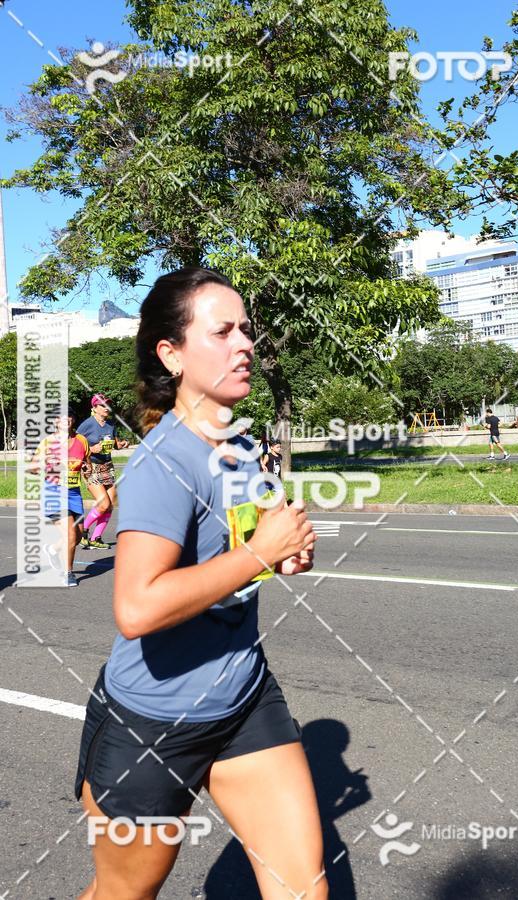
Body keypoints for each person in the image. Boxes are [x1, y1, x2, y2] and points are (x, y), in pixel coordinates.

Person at [75, 268, 325, 900]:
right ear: (172, 353)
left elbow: (251, 541)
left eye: (246, 329)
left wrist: (282, 551)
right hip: (151, 724)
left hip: (243, 700)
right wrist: (257, 556)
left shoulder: (238, 442)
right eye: (221, 331)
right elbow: (135, 607)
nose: (244, 343)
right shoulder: (164, 461)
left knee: (304, 891)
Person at [31, 407, 91, 587]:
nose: (66, 420)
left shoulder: (81, 440)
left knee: (79, 534)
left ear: (73, 420)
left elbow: (86, 464)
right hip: (54, 492)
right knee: (70, 535)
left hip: (73, 492)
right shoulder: (47, 443)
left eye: (69, 416)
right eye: (61, 417)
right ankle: (68, 573)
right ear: (56, 422)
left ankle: (52, 550)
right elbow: (33, 468)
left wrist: (87, 470)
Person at [77, 394, 130, 549]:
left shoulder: (110, 425)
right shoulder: (87, 425)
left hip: (108, 467)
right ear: (94, 408)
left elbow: (115, 445)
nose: (107, 408)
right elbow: (76, 446)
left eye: (108, 404)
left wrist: (122, 444)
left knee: (111, 504)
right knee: (103, 504)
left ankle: (96, 538)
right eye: (103, 405)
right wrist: (92, 449)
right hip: (91, 467)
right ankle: (82, 531)